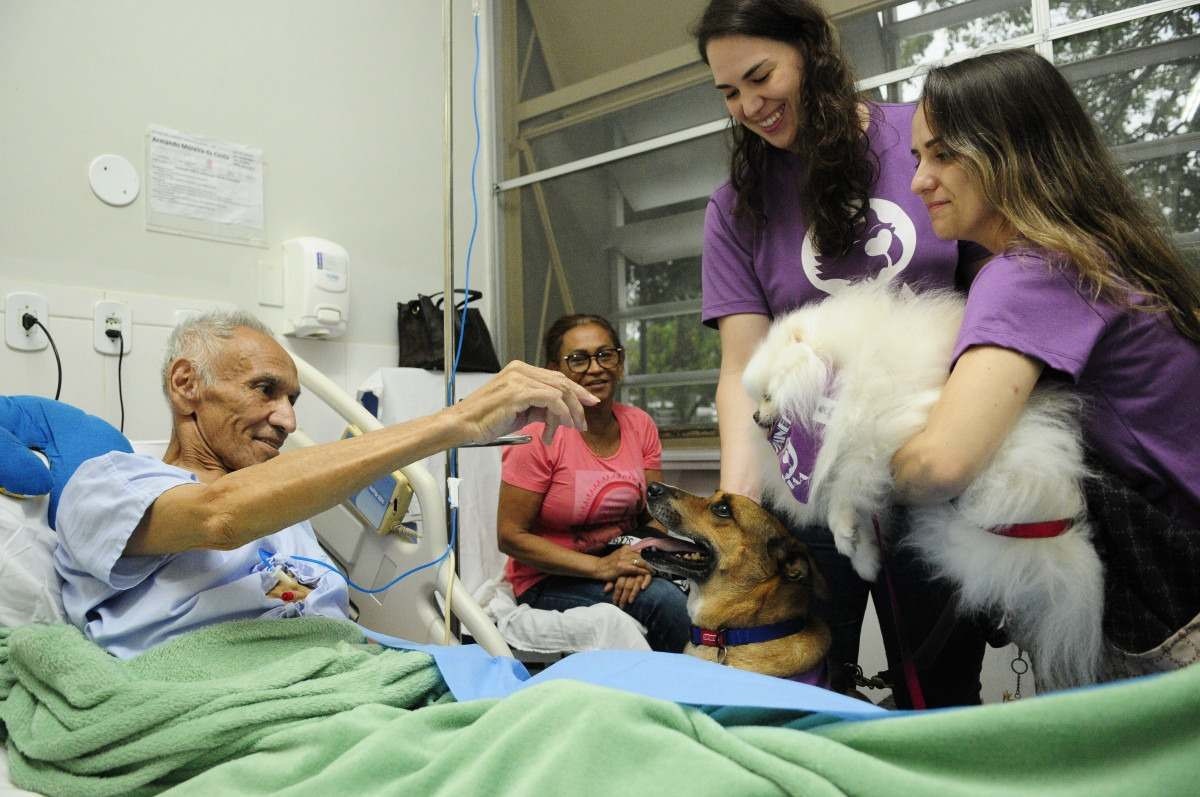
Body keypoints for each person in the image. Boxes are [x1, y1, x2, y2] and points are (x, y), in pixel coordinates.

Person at [694, 0, 992, 705]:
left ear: (812, 49)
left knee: (939, 691)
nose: (749, 105)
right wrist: (739, 516)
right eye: (729, 92)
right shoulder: (738, 205)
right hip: (811, 486)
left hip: (941, 467)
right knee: (801, 690)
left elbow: (996, 296)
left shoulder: (922, 138)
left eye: (761, 76)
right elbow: (741, 370)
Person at [896, 49, 1200, 674]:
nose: (919, 181)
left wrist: (859, 466)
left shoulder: (1028, 272)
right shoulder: (1104, 250)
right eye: (917, 157)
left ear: (1012, 150)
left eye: (944, 154)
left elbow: (940, 463)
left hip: (1173, 596)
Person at [54, 310, 598, 658]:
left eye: (292, 400)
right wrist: (455, 422)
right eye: (265, 390)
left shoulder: (290, 512)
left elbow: (330, 618)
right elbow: (217, 517)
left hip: (339, 677)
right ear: (186, 384)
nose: (287, 421)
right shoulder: (106, 482)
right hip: (221, 694)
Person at [497, 314, 690, 653]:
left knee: (711, 587)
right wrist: (601, 567)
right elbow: (511, 536)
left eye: (605, 354)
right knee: (667, 604)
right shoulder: (539, 435)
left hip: (621, 558)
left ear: (620, 361)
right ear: (555, 369)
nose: (596, 367)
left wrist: (638, 559)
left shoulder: (639, 424)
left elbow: (653, 516)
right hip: (549, 580)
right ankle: (680, 699)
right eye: (578, 359)